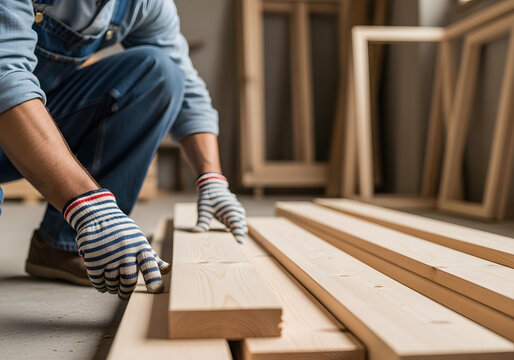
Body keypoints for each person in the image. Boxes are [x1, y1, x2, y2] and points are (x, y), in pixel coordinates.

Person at [0, 0, 247, 299]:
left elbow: (189, 92)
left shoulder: (142, 4)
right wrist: (88, 204)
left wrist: (212, 179)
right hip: (9, 111)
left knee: (159, 72)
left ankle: (63, 246)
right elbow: (6, 77)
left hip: (35, 129)